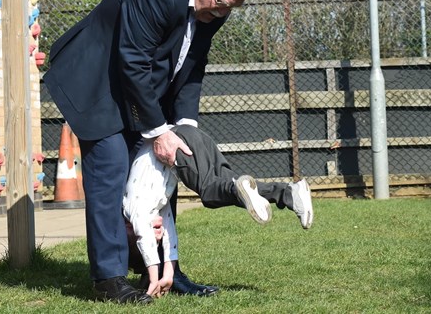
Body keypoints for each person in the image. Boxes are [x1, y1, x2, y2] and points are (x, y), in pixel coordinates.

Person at [43, 0, 254, 305]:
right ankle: (109, 279)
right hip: (96, 83)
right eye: (220, 2)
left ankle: (163, 269)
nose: (222, 13)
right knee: (110, 171)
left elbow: (191, 64)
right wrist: (157, 130)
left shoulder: (215, 5)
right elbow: (133, 60)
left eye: (232, 7)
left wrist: (182, 126)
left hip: (137, 87)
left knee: (162, 172)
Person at [123, 124, 313, 298]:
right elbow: (169, 236)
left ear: (132, 233)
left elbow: (146, 242)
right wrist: (169, 275)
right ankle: (288, 192)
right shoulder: (156, 206)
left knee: (209, 191)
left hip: (172, 140)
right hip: (189, 131)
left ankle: (238, 189)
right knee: (228, 180)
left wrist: (154, 281)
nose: (157, 236)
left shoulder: (135, 211)